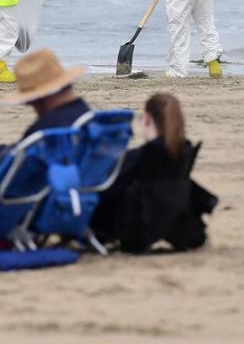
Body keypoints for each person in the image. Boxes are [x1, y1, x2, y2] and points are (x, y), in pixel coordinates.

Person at [88, 92, 218, 253]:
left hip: (132, 228)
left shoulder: (143, 155)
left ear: (146, 119)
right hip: (169, 220)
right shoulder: (184, 153)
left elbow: (107, 187)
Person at [0, 48, 90, 188]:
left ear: (40, 98)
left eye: (31, 102)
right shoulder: (86, 118)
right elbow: (21, 150)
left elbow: (15, 170)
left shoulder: (49, 128)